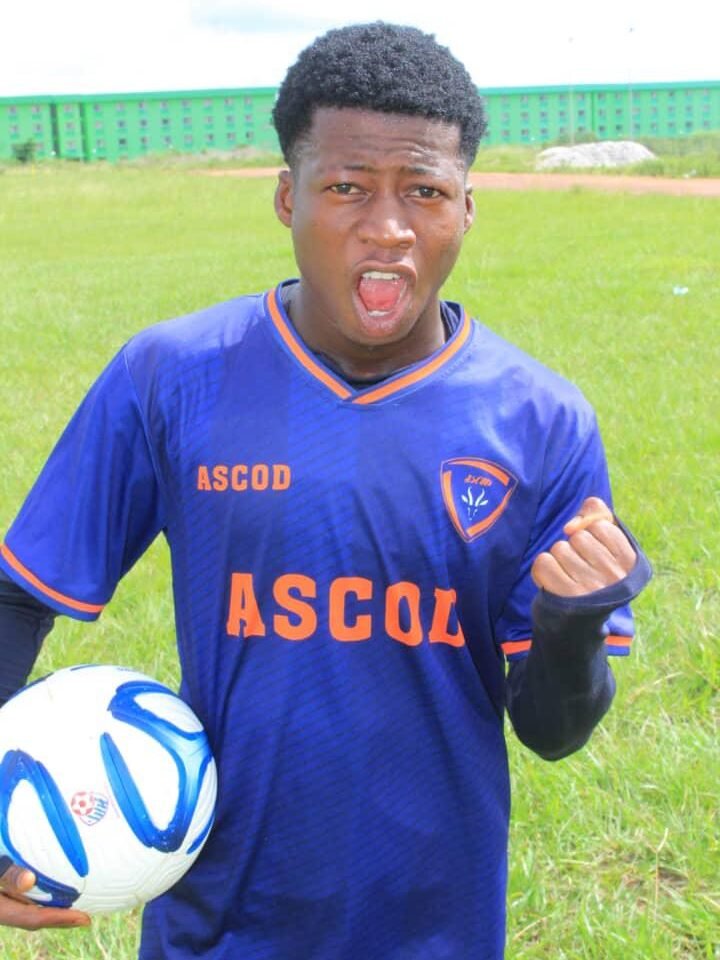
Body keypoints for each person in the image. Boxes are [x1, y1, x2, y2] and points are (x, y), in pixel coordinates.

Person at [0, 21, 651, 960]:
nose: (388, 227)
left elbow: (552, 732)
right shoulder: (173, 376)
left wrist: (572, 626)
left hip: (437, 925)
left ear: (467, 207)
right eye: (347, 187)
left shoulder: (539, 422)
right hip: (218, 926)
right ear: (287, 197)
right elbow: (19, 596)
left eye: (424, 190)